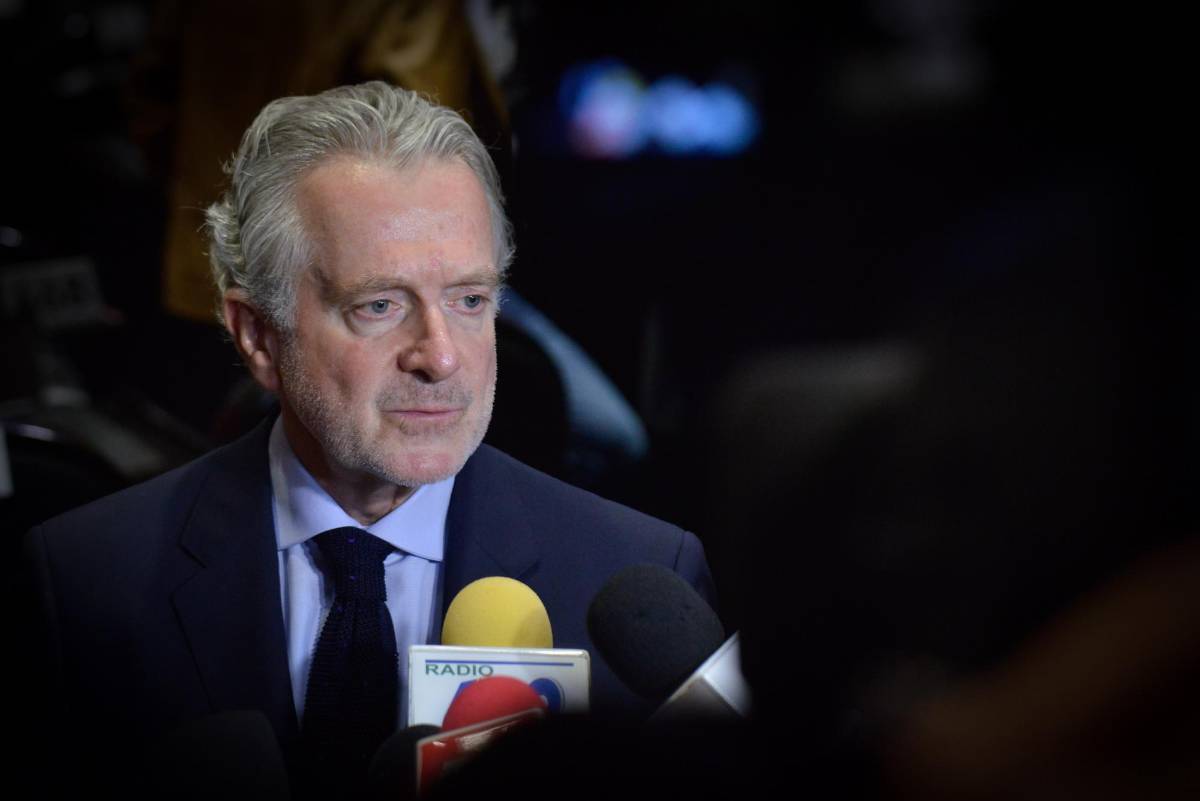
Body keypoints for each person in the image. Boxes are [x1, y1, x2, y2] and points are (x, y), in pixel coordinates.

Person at [24, 81, 715, 796]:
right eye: (379, 305)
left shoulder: (637, 582)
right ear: (257, 335)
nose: (440, 356)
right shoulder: (85, 583)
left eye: (469, 299)